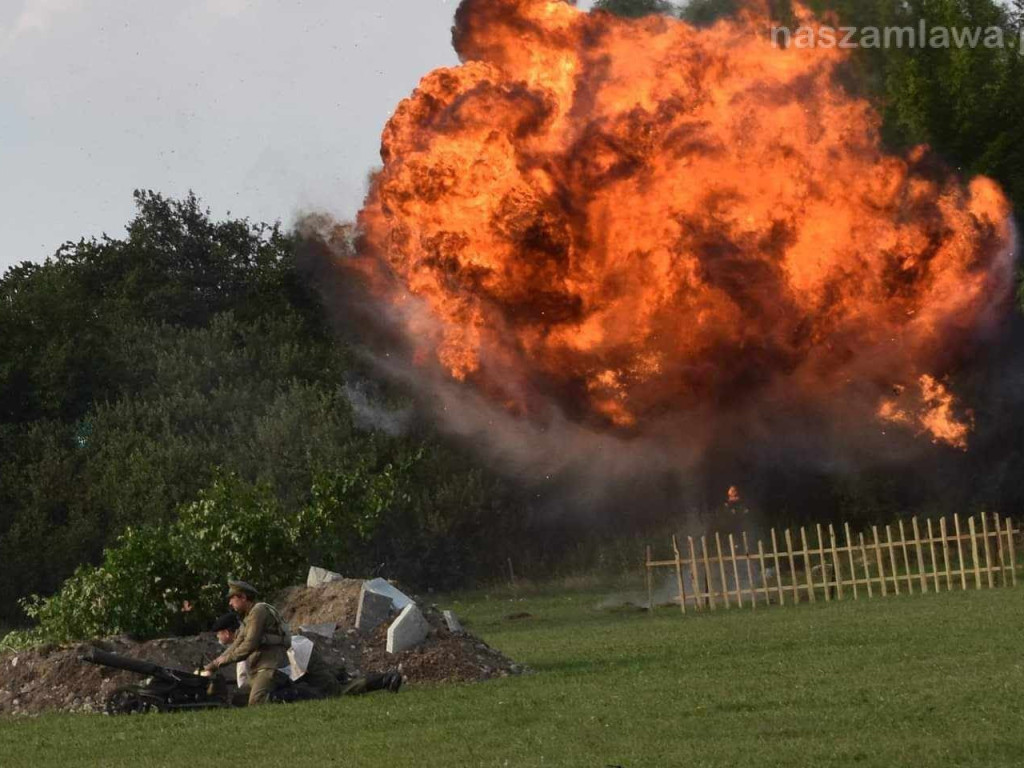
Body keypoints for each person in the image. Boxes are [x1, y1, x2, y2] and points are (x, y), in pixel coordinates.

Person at [211, 610, 402, 702]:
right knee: (329, 682)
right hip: (300, 656)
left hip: (301, 657)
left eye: (219, 634)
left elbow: (246, 684)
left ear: (227, 633)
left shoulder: (244, 644)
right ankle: (340, 673)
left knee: (337, 693)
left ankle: (386, 679)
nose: (218, 638)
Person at [203, 580, 291, 706]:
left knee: (256, 702)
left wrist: (224, 661)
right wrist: (212, 665)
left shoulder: (259, 611)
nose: (230, 603)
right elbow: (236, 644)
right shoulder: (248, 617)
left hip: (271, 667)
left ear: (243, 597)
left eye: (232, 598)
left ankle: (290, 697)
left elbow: (249, 644)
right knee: (238, 701)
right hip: (258, 669)